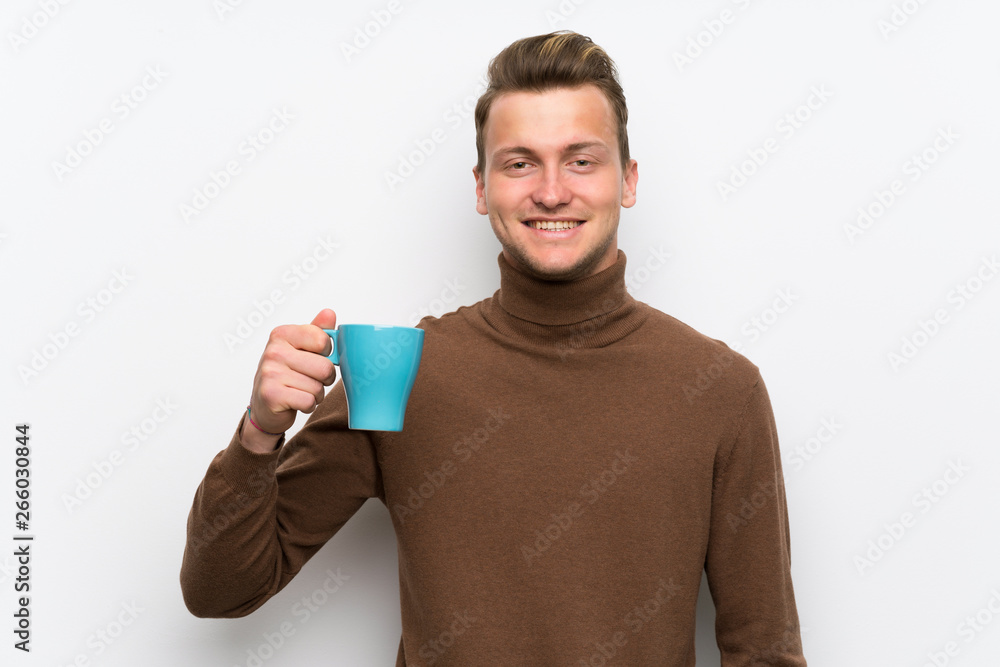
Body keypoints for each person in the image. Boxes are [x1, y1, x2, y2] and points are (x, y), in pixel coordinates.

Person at [181, 30, 807, 666]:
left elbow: (764, 651)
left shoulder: (721, 390)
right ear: (482, 190)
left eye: (582, 160)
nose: (552, 191)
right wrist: (259, 435)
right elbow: (222, 591)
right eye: (520, 162)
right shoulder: (405, 370)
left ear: (629, 180)